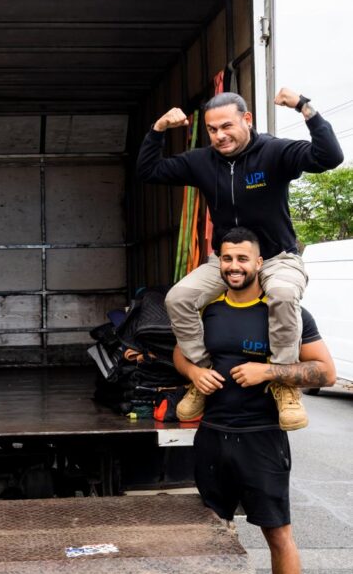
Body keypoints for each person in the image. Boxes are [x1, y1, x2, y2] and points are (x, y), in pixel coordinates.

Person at [173, 227, 336, 574]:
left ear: (260, 262)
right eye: (227, 259)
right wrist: (193, 373)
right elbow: (179, 354)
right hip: (213, 433)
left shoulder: (286, 310)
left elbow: (325, 371)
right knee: (215, 532)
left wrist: (270, 370)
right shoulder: (207, 308)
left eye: (243, 259)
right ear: (218, 263)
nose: (234, 267)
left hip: (262, 436)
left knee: (277, 534)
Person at [137, 88, 343, 430]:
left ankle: (283, 385)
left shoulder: (274, 152)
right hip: (227, 259)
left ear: (246, 120)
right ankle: (204, 376)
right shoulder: (201, 161)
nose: (220, 135)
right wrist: (157, 129)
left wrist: (304, 107)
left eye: (227, 126)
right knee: (179, 298)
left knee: (283, 294)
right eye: (213, 130)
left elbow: (329, 157)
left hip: (276, 256)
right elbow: (149, 171)